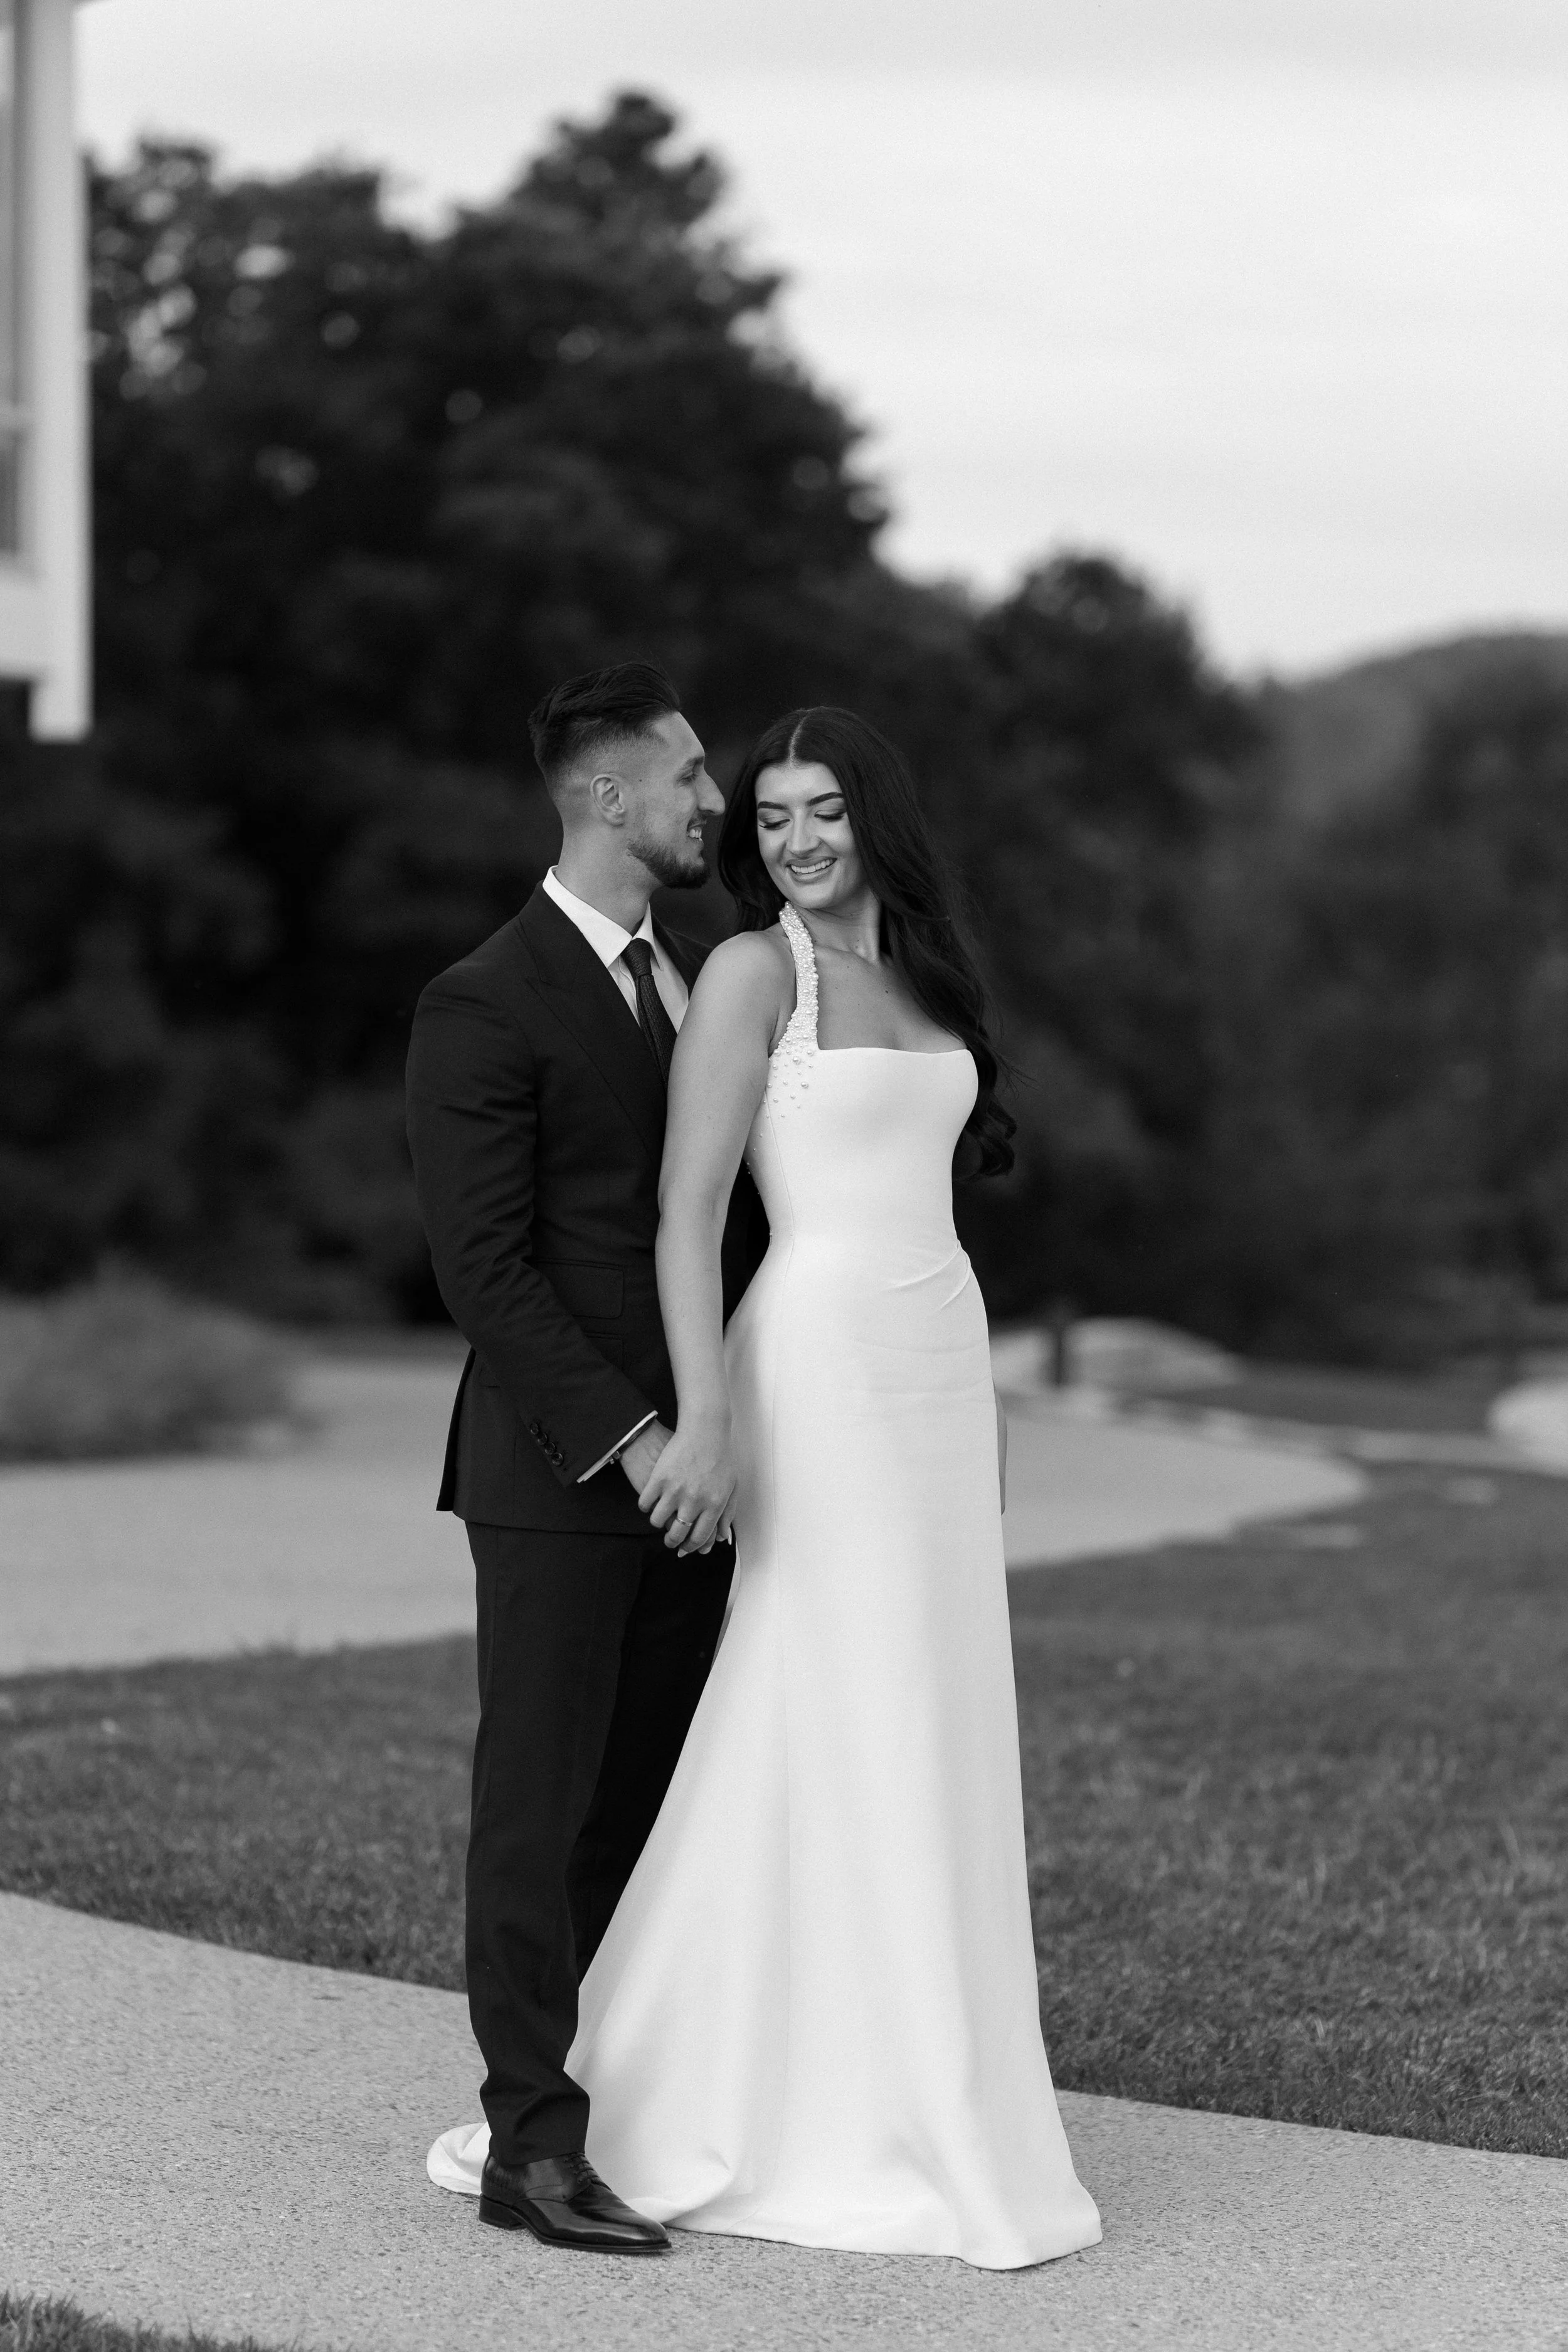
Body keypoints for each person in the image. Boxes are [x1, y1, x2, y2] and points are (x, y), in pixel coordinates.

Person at [428, 705, 1101, 2270]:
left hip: (924, 1381)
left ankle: (919, 2083)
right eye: (759, 809)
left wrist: (977, 1406)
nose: (780, 831)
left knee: (914, 1722)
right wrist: (702, 1420)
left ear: (875, 816)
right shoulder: (745, 970)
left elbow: (925, 1204)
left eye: (818, 811)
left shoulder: (921, 978)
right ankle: (585, 2117)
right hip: (784, 1382)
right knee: (776, 1712)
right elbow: (664, 1220)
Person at [406, 662, 766, 2257]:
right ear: (609, 797)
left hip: (707, 1472)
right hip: (566, 1476)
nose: (714, 802)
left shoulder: (704, 974)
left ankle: (617, 2078)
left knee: (652, 1797)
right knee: (537, 1811)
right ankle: (528, 2149)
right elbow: (484, 1274)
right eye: (689, 778)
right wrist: (641, 1446)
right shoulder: (484, 997)